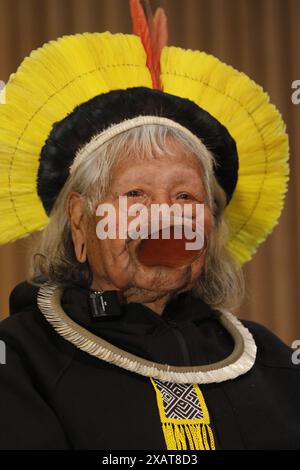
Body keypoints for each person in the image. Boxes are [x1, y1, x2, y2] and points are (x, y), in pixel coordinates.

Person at [0, 0, 299, 450]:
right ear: (81, 223)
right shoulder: (21, 360)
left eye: (185, 197)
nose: (166, 216)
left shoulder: (274, 360)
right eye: (135, 195)